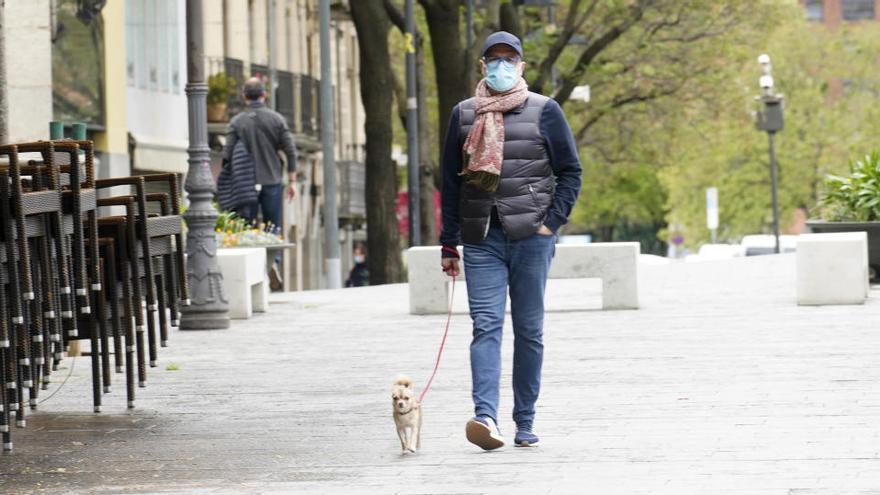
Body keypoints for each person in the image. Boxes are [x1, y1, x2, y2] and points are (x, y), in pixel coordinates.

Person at [439, 32, 582, 450]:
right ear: (483, 66)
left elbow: (571, 171)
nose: (502, 65)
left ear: (521, 65)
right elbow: (450, 183)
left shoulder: (545, 111)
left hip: (530, 238)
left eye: (510, 59)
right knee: (485, 325)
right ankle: (485, 416)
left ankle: (525, 419)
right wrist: (449, 244)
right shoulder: (463, 114)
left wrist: (550, 223)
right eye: (494, 59)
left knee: (529, 330)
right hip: (481, 237)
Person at [225, 77, 298, 287]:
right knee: (272, 224)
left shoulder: (237, 122)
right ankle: (272, 261)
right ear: (264, 95)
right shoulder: (276, 120)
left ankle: (250, 270)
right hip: (272, 180)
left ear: (244, 96)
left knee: (246, 226)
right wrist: (292, 181)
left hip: (244, 182)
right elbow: (290, 151)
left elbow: (228, 154)